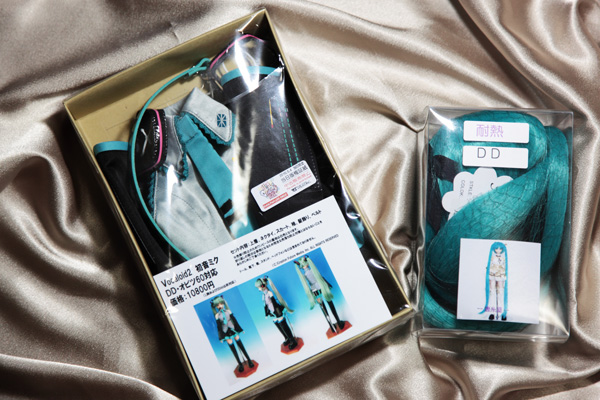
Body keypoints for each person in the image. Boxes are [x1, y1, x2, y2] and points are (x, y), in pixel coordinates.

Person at [294, 255, 346, 333]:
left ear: (301, 266)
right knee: (330, 303)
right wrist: (327, 284)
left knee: (323, 308)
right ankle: (339, 322)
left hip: (314, 290)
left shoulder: (304, 275)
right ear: (307, 263)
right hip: (321, 286)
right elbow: (321, 278)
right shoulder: (313, 270)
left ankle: (331, 327)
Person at [210, 296, 255, 373]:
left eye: (221, 304)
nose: (220, 306)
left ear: (223, 303)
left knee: (240, 345)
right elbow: (219, 327)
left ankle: (249, 359)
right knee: (232, 348)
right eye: (217, 305)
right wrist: (221, 337)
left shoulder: (228, 311)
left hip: (232, 328)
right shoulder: (217, 315)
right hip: (225, 331)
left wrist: (240, 329)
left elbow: (235, 320)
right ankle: (240, 364)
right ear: (216, 306)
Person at [255, 277, 298, 350]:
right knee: (277, 323)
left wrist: (278, 313)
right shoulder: (263, 295)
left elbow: (274, 302)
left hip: (276, 310)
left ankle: (293, 341)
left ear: (262, 286)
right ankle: (287, 338)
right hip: (272, 311)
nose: (258, 289)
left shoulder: (269, 293)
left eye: (258, 287)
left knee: (283, 324)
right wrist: (266, 314)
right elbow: (265, 305)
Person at [479, 242, 508, 321]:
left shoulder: (503, 259)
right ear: (494, 249)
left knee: (500, 292)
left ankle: (502, 312)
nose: (498, 250)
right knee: (492, 292)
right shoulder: (491, 258)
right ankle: (492, 312)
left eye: (500, 249)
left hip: (500, 275)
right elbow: (489, 266)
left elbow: (504, 268)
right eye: (497, 248)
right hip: (492, 275)